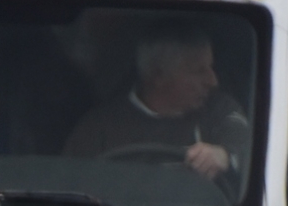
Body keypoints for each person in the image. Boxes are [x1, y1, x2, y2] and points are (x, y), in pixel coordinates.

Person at [64, 21, 251, 189]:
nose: (212, 81)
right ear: (158, 76)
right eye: (198, 71)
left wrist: (225, 156)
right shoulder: (98, 128)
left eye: (211, 68)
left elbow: (254, 150)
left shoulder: (220, 110)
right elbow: (67, 184)